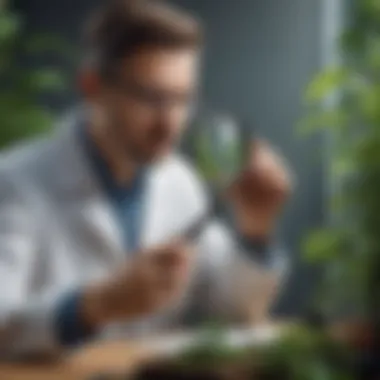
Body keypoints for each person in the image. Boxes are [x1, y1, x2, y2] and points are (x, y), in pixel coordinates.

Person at [0, 0, 293, 358]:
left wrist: (256, 228)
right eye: (151, 98)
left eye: (182, 99)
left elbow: (233, 313)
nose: (170, 124)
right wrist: (96, 304)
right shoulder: (14, 183)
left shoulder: (180, 183)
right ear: (92, 87)